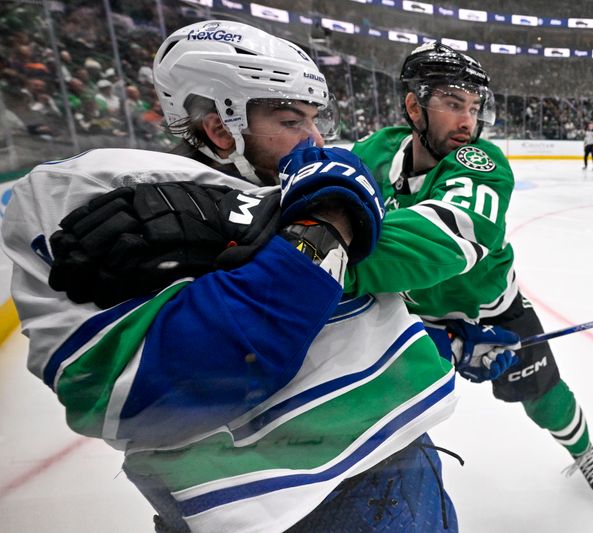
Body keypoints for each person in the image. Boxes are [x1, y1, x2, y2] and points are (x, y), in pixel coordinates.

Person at [2, 21, 462, 532]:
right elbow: (163, 389)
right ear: (220, 128)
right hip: (292, 502)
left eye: (314, 119)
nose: (315, 139)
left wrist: (267, 223)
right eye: (292, 120)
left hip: (387, 463)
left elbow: (422, 248)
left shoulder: (281, 189)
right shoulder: (87, 194)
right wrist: (326, 224)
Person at [346, 42, 593, 499]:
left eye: (473, 107)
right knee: (381, 404)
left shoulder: (482, 163)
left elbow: (440, 243)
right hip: (413, 313)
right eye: (453, 104)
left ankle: (582, 448)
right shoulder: (374, 152)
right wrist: (441, 340)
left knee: (544, 394)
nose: (468, 121)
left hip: (494, 308)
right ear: (415, 106)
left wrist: (332, 263)